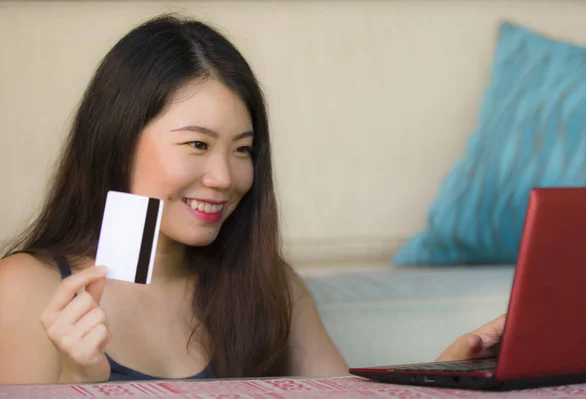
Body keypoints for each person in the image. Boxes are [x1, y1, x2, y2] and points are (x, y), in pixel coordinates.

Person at [0, 14, 505, 385]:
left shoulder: (267, 283)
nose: (224, 176)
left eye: (243, 150)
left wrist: (452, 369)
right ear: (118, 140)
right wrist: (76, 379)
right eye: (197, 144)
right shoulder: (25, 288)